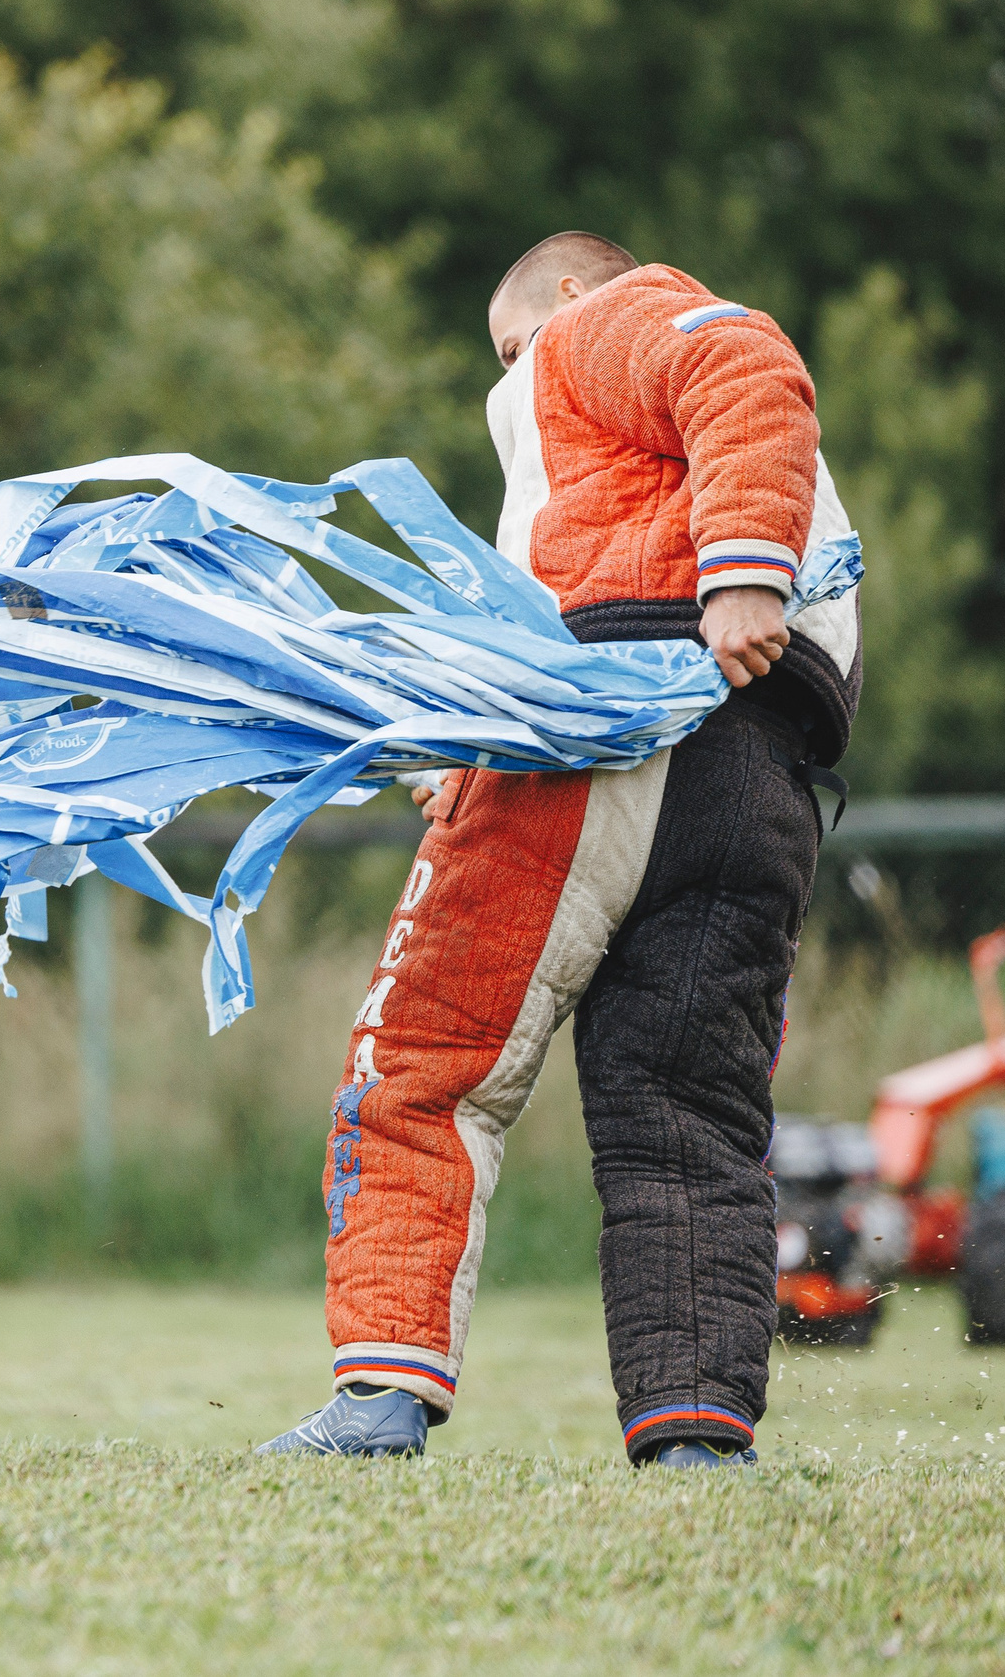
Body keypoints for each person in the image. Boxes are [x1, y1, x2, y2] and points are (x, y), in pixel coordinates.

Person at [260, 233, 862, 1467]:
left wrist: (740, 569)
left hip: (601, 740)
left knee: (424, 1065)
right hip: (759, 778)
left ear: (567, 297)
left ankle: (379, 1397)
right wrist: (451, 750)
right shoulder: (618, 452)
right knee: (686, 1112)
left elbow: (747, 364)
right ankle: (696, 1436)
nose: (512, 372)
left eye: (509, 343)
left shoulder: (604, 325)